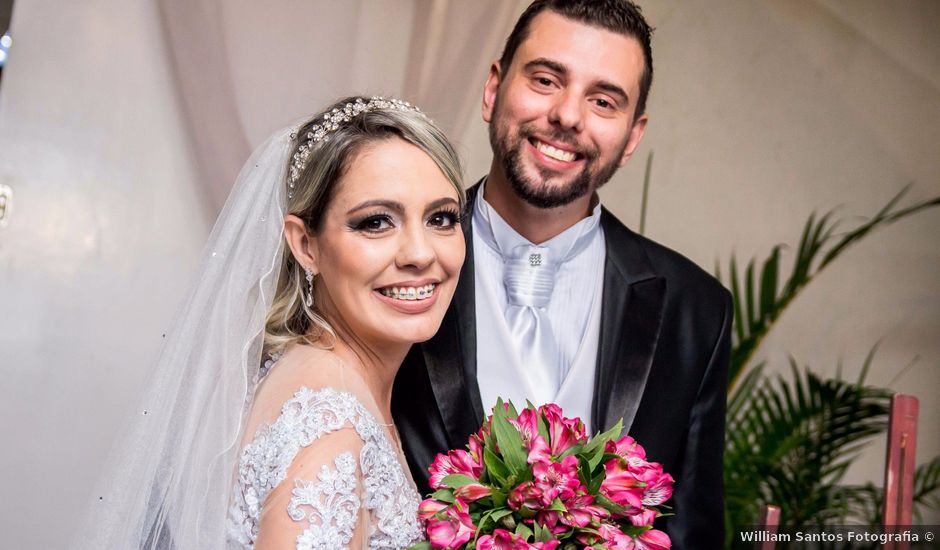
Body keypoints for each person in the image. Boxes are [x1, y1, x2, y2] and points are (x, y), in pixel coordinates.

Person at [392, 1, 733, 548]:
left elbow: (691, 528)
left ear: (632, 135)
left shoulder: (695, 309)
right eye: (547, 79)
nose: (568, 116)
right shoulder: (391, 263)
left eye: (603, 100)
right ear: (492, 89)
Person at [74, 96, 465, 549]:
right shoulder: (329, 427)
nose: (420, 254)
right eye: (376, 222)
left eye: (441, 218)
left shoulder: (309, 371)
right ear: (305, 245)